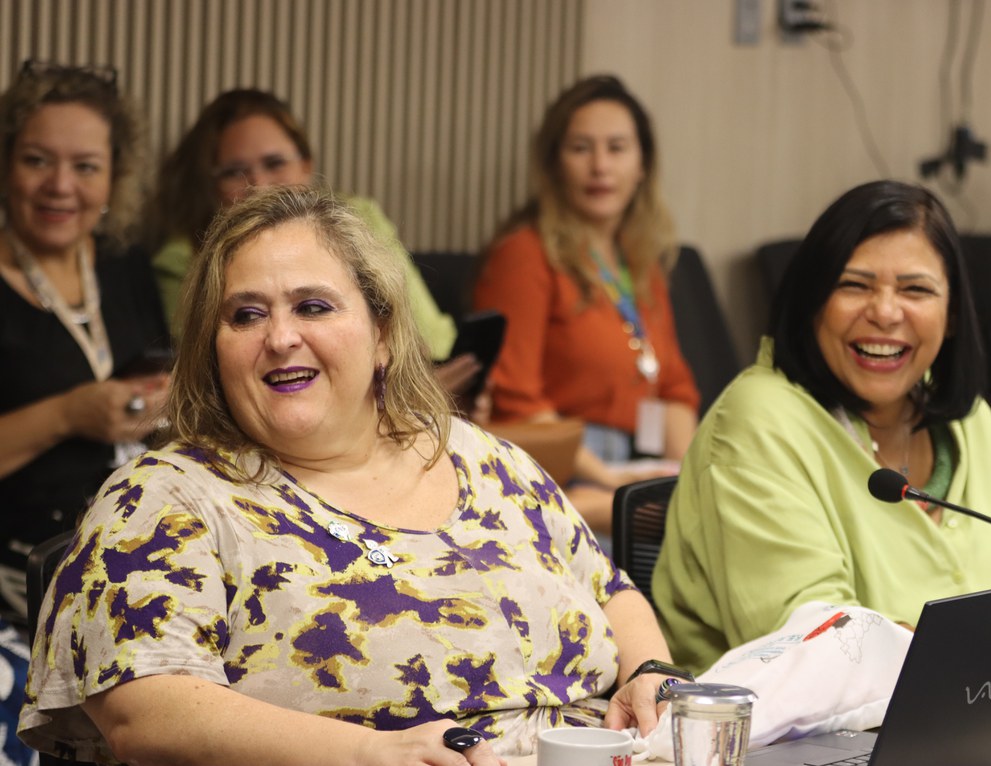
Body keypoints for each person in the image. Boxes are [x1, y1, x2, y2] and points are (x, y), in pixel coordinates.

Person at [20, 186, 686, 764]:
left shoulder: (481, 459)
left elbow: (608, 588)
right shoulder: (166, 497)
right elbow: (147, 710)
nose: (280, 337)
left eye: (313, 307)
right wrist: (370, 754)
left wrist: (649, 671)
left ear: (385, 335)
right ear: (211, 348)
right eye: (246, 314)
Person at [652, 180, 991, 729]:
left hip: (971, 720)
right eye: (854, 285)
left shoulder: (959, 417)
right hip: (786, 743)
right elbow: (819, 639)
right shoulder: (756, 420)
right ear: (811, 301)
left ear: (953, 313)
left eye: (915, 289)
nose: (885, 313)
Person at [473, 75, 699, 532]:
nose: (600, 166)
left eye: (617, 148)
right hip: (560, 472)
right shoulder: (525, 253)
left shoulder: (641, 262)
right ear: (555, 164)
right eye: (581, 148)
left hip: (638, 468)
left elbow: (672, 388)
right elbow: (515, 402)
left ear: (642, 165)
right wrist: (612, 481)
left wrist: (689, 483)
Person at [149, 88, 470, 385]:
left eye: (275, 163)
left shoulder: (358, 218)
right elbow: (204, 375)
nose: (258, 185)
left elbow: (429, 338)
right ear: (211, 185)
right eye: (234, 172)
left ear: (306, 165)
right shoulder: (183, 256)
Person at [0, 60, 169, 618]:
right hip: (20, 576)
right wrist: (71, 414)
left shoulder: (123, 265)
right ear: (6, 164)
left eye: (86, 166)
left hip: (129, 557)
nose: (61, 186)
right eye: (37, 160)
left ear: (112, 179)